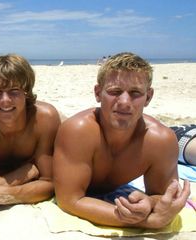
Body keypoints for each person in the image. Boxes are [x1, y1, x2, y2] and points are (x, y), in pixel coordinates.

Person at [53, 52, 190, 228]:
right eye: (115, 91)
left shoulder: (160, 141)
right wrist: (146, 221)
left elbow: (163, 197)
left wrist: (149, 202)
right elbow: (69, 200)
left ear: (148, 97)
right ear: (97, 93)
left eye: (135, 93)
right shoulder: (79, 131)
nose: (124, 102)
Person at [0, 54, 61, 208]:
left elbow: (50, 182)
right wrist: (29, 170)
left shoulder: (45, 118)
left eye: (14, 91)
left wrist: (6, 194)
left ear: (26, 92)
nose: (5, 100)